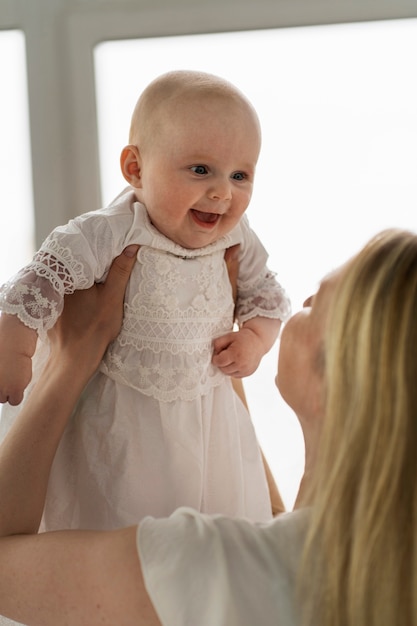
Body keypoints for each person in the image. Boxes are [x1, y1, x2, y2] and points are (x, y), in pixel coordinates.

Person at [1, 227, 416, 626]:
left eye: (315, 304)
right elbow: (271, 525)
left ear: (346, 381)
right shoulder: (384, 573)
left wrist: (71, 358)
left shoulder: (204, 565)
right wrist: (212, 346)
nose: (300, 301)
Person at [0, 70, 291, 530]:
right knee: (117, 530)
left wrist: (254, 339)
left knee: (213, 538)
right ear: (135, 169)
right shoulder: (111, 230)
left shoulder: (237, 236)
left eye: (241, 175)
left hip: (209, 426)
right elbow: (38, 281)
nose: (222, 192)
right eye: (201, 170)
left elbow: (269, 297)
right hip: (119, 424)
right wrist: (15, 346)